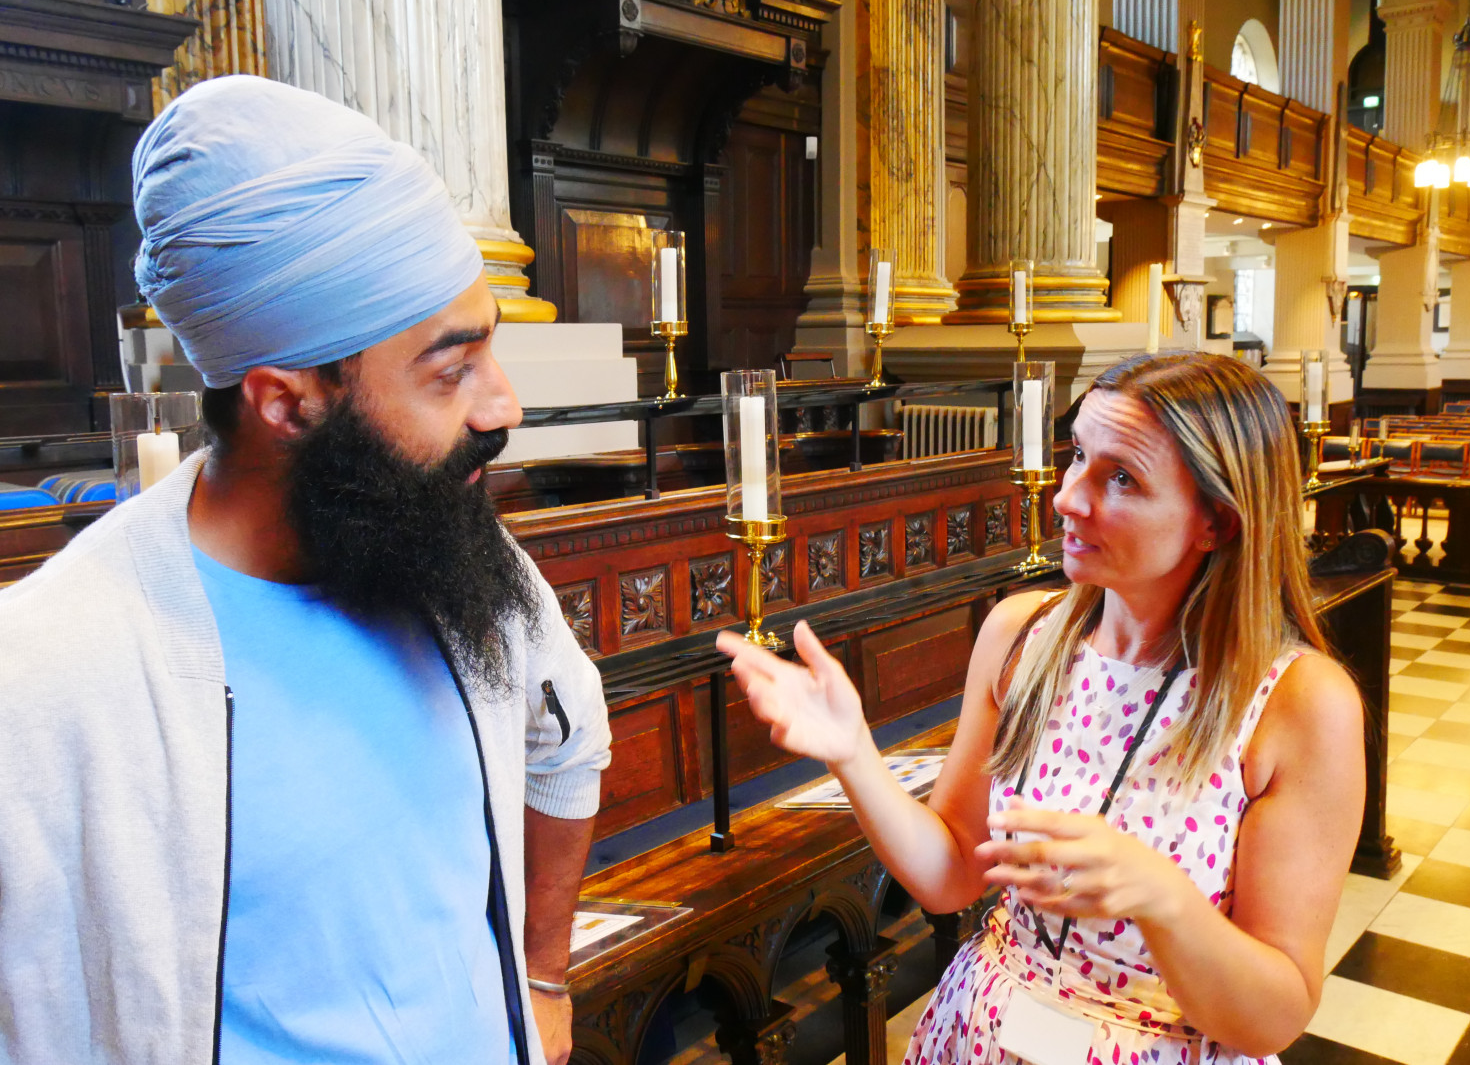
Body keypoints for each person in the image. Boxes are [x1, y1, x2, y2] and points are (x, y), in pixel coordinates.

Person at [0, 76, 611, 1065]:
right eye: (450, 369)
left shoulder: (444, 543)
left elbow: (565, 736)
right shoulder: (52, 667)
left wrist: (542, 977)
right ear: (287, 401)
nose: (503, 407)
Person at [719, 352, 1364, 1064]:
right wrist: (853, 754)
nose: (1068, 498)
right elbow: (953, 874)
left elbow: (1274, 1016)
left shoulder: (1298, 703)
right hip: (985, 1031)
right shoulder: (1024, 634)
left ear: (1216, 521)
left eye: (1121, 477)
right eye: (1078, 455)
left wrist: (1164, 902)